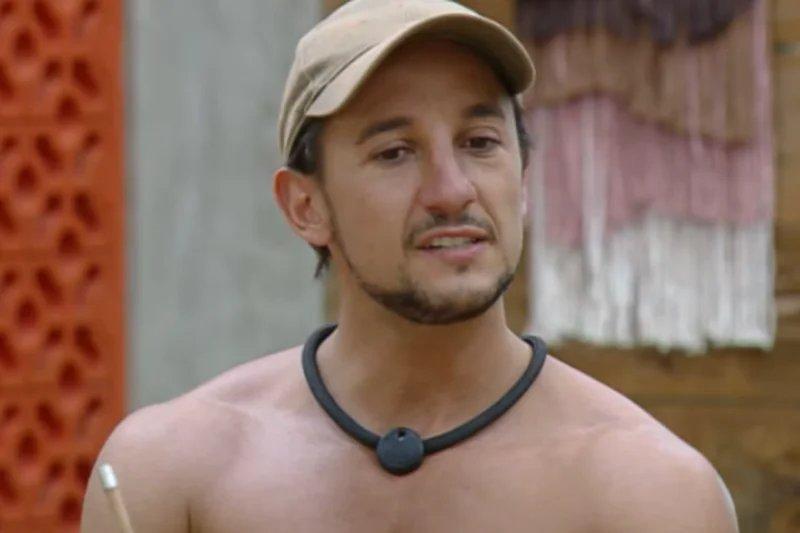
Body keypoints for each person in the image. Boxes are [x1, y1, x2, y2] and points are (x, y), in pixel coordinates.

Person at [81, 0, 739, 531]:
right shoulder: (172, 475)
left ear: (524, 180)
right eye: (395, 152)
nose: (452, 190)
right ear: (307, 206)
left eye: (480, 142)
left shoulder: (648, 493)